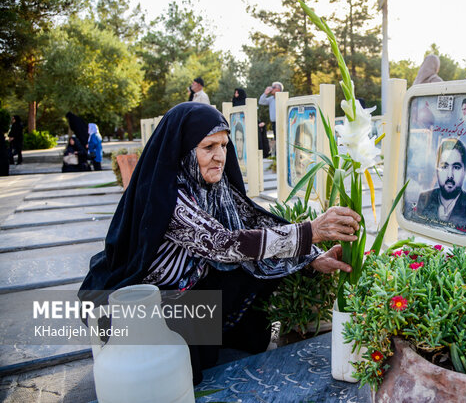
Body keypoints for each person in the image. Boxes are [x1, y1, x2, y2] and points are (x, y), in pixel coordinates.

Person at [78, 102, 361, 385]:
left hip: (189, 286)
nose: (220, 156)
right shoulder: (167, 197)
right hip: (144, 302)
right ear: (184, 149)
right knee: (180, 368)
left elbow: (252, 222)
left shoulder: (213, 184)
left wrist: (312, 256)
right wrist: (311, 230)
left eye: (224, 145)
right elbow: (222, 244)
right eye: (208, 147)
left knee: (256, 270)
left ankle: (226, 332)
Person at [415, 138, 466, 234]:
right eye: (444, 167)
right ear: (436, 169)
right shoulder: (424, 198)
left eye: (456, 167)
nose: (450, 175)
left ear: (464, 171)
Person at [259, 81, 283, 147]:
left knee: (282, 139)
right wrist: (265, 93)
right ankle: (277, 154)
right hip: (274, 123)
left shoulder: (282, 98)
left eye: (273, 87)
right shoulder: (271, 99)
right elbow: (261, 101)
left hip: (281, 122)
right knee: (276, 139)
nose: (271, 89)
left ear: (278, 89)